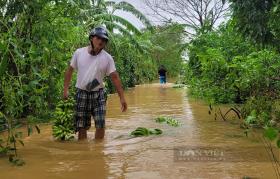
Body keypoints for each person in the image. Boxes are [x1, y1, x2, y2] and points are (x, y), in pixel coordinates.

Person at [63, 26, 127, 140]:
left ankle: (99, 152)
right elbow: (69, 70)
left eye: (104, 40)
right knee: (81, 126)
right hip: (81, 93)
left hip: (99, 94)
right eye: (98, 38)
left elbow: (115, 77)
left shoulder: (107, 58)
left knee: (100, 124)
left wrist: (122, 98)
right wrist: (65, 90)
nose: (101, 41)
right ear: (91, 38)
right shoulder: (79, 53)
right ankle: (84, 152)